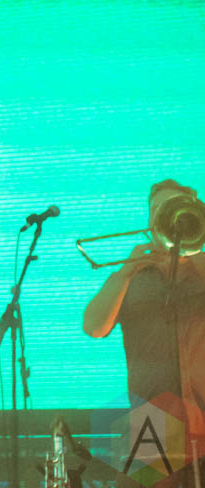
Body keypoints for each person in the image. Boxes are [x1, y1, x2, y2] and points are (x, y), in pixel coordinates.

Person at [82, 179, 205, 473]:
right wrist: (126, 271)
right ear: (151, 221)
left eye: (177, 209)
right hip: (152, 416)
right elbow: (94, 327)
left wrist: (197, 255)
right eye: (159, 209)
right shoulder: (131, 276)